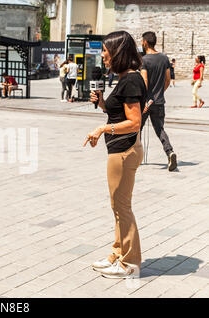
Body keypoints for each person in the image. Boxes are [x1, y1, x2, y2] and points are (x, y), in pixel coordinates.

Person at [85, 30, 146, 280]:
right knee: (117, 206)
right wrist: (102, 103)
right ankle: (118, 253)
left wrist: (102, 128)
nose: (103, 57)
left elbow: (134, 121)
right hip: (120, 149)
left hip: (124, 150)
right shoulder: (125, 78)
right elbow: (119, 113)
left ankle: (130, 263)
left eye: (106, 52)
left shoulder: (130, 79)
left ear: (118, 52)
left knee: (122, 208)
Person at [140, 31, 177, 172]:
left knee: (137, 128)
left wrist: (144, 100)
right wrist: (159, 93)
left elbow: (144, 82)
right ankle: (170, 152)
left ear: (145, 42)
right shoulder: (164, 58)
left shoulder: (144, 60)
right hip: (159, 101)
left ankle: (135, 157)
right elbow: (167, 80)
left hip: (146, 102)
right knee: (160, 129)